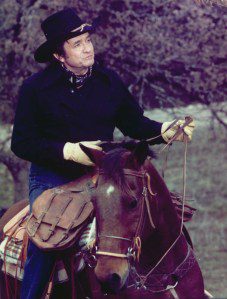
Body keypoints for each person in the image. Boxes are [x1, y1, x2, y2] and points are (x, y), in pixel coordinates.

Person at [10, 7, 195, 299]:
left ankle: (186, 289)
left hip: (104, 176)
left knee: (159, 217)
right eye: (77, 44)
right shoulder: (35, 89)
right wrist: (67, 151)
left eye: (87, 40)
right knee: (45, 242)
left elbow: (135, 124)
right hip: (53, 179)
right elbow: (21, 143)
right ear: (59, 56)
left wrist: (166, 130)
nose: (87, 49)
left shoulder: (109, 82)